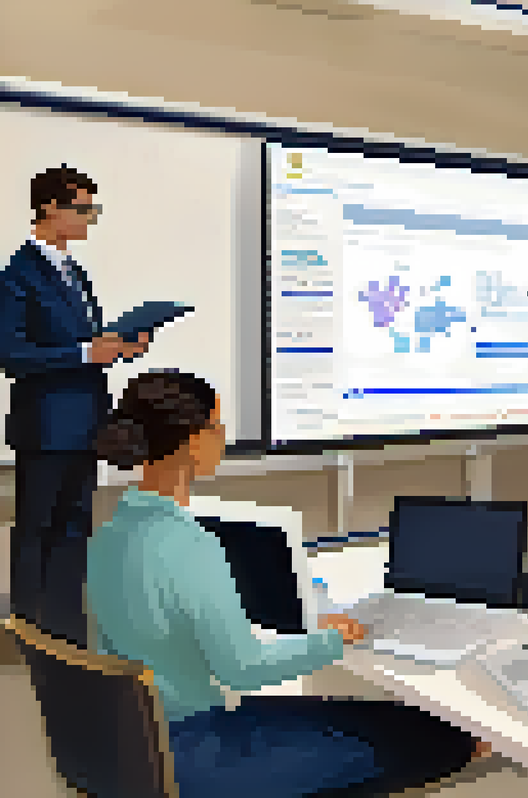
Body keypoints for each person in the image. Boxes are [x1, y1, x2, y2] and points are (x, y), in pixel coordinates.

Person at [86, 372, 490, 798]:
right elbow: (243, 670)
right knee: (441, 735)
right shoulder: (190, 543)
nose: (223, 437)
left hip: (136, 749)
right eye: (217, 426)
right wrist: (333, 640)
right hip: (197, 758)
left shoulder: (109, 534)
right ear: (192, 441)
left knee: (371, 717)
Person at [1, 166, 150, 648]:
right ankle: (29, 637)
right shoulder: (16, 276)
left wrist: (118, 347)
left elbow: (81, 342)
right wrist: (86, 353)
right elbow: (11, 355)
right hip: (46, 427)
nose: (89, 219)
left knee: (74, 531)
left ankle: (66, 638)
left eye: (92, 209)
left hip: (86, 422)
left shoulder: (75, 272)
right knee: (36, 532)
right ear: (49, 208)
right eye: (83, 209)